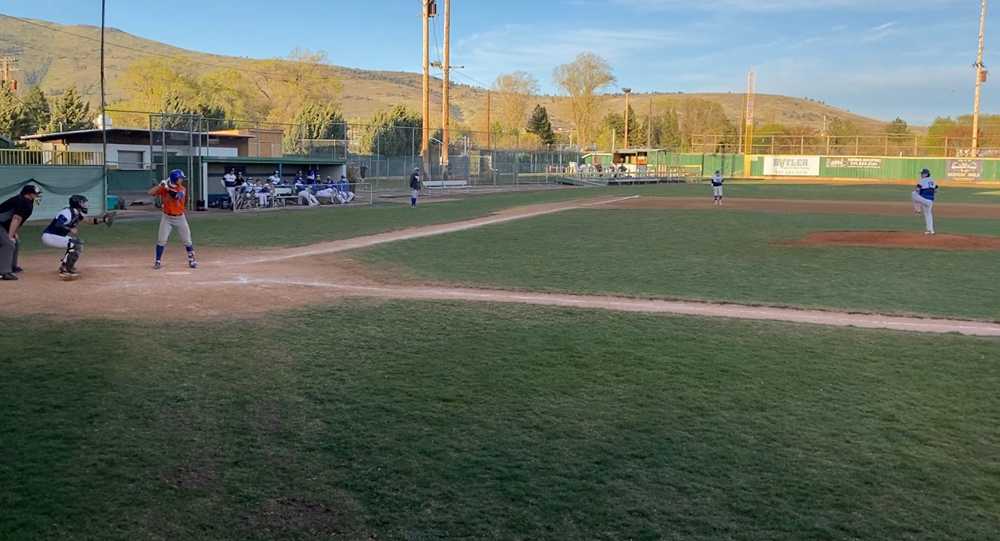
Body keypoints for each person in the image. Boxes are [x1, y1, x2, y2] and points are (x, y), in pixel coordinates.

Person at [41, 195, 112, 280]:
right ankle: (66, 270)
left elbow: (89, 221)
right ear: (77, 204)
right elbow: (58, 224)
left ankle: (64, 266)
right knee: (75, 244)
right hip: (49, 236)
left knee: (76, 243)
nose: (85, 205)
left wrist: (104, 220)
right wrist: (70, 228)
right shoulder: (67, 212)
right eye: (83, 203)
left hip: (55, 236)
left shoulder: (76, 213)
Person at [148, 169, 198, 270]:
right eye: (180, 178)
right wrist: (160, 185)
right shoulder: (164, 188)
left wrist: (166, 188)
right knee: (161, 240)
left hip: (180, 217)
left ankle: (192, 260)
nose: (182, 180)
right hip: (167, 218)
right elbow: (150, 192)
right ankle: (158, 261)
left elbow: (176, 196)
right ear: (175, 179)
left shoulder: (182, 189)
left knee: (187, 240)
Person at [0, 184, 42, 281]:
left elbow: (18, 220)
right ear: (28, 194)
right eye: (35, 194)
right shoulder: (22, 201)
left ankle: (11, 266)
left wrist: (14, 233)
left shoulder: (27, 201)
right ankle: (4, 272)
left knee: (15, 242)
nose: (37, 196)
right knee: (8, 244)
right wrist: (10, 235)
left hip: (3, 225)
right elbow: (16, 219)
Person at [912, 168, 938, 235]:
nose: (921, 175)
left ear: (926, 174)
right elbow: (936, 190)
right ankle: (931, 230)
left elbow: (917, 189)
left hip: (924, 200)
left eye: (922, 173)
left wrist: (920, 196)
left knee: (913, 193)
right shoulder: (933, 180)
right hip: (930, 201)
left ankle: (917, 209)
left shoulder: (922, 180)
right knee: (928, 215)